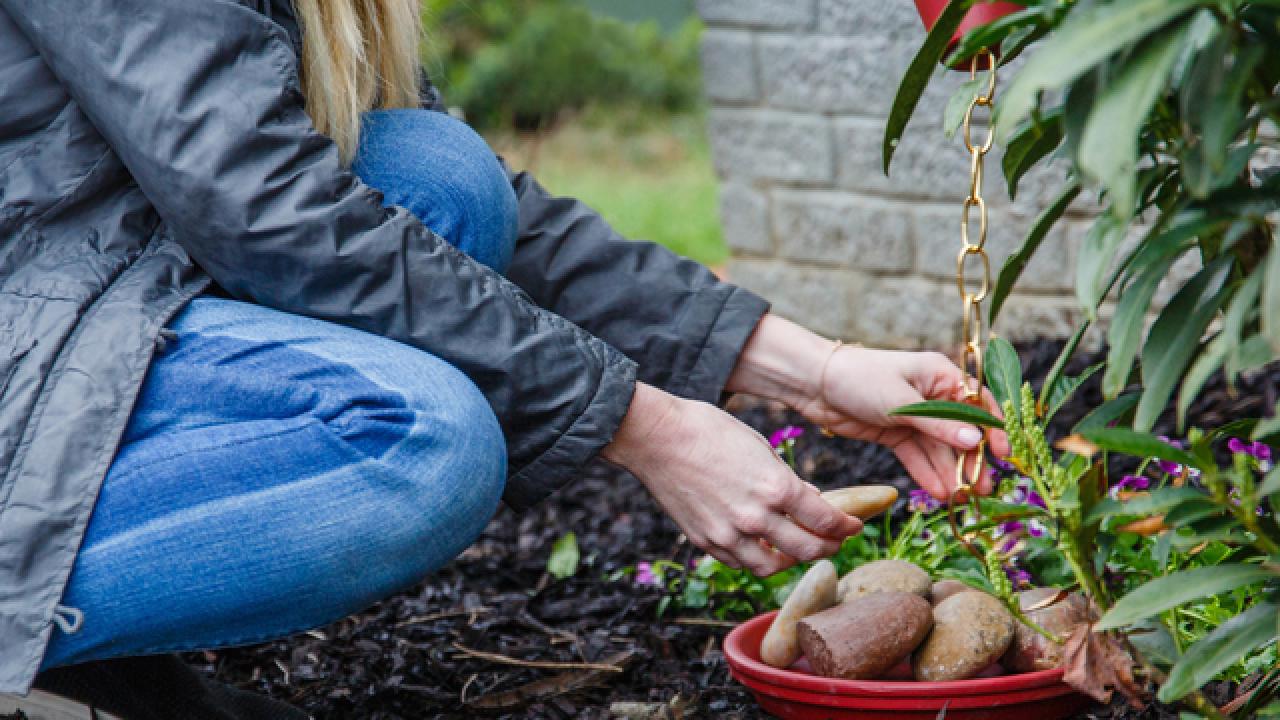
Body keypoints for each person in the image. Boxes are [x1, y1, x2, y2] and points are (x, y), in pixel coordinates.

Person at [0, 0, 1007, 698]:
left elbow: (461, 218)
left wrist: (815, 370)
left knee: (439, 179)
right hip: (34, 301)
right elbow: (265, 210)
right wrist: (644, 427)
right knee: (420, 444)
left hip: (93, 269)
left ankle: (84, 646)